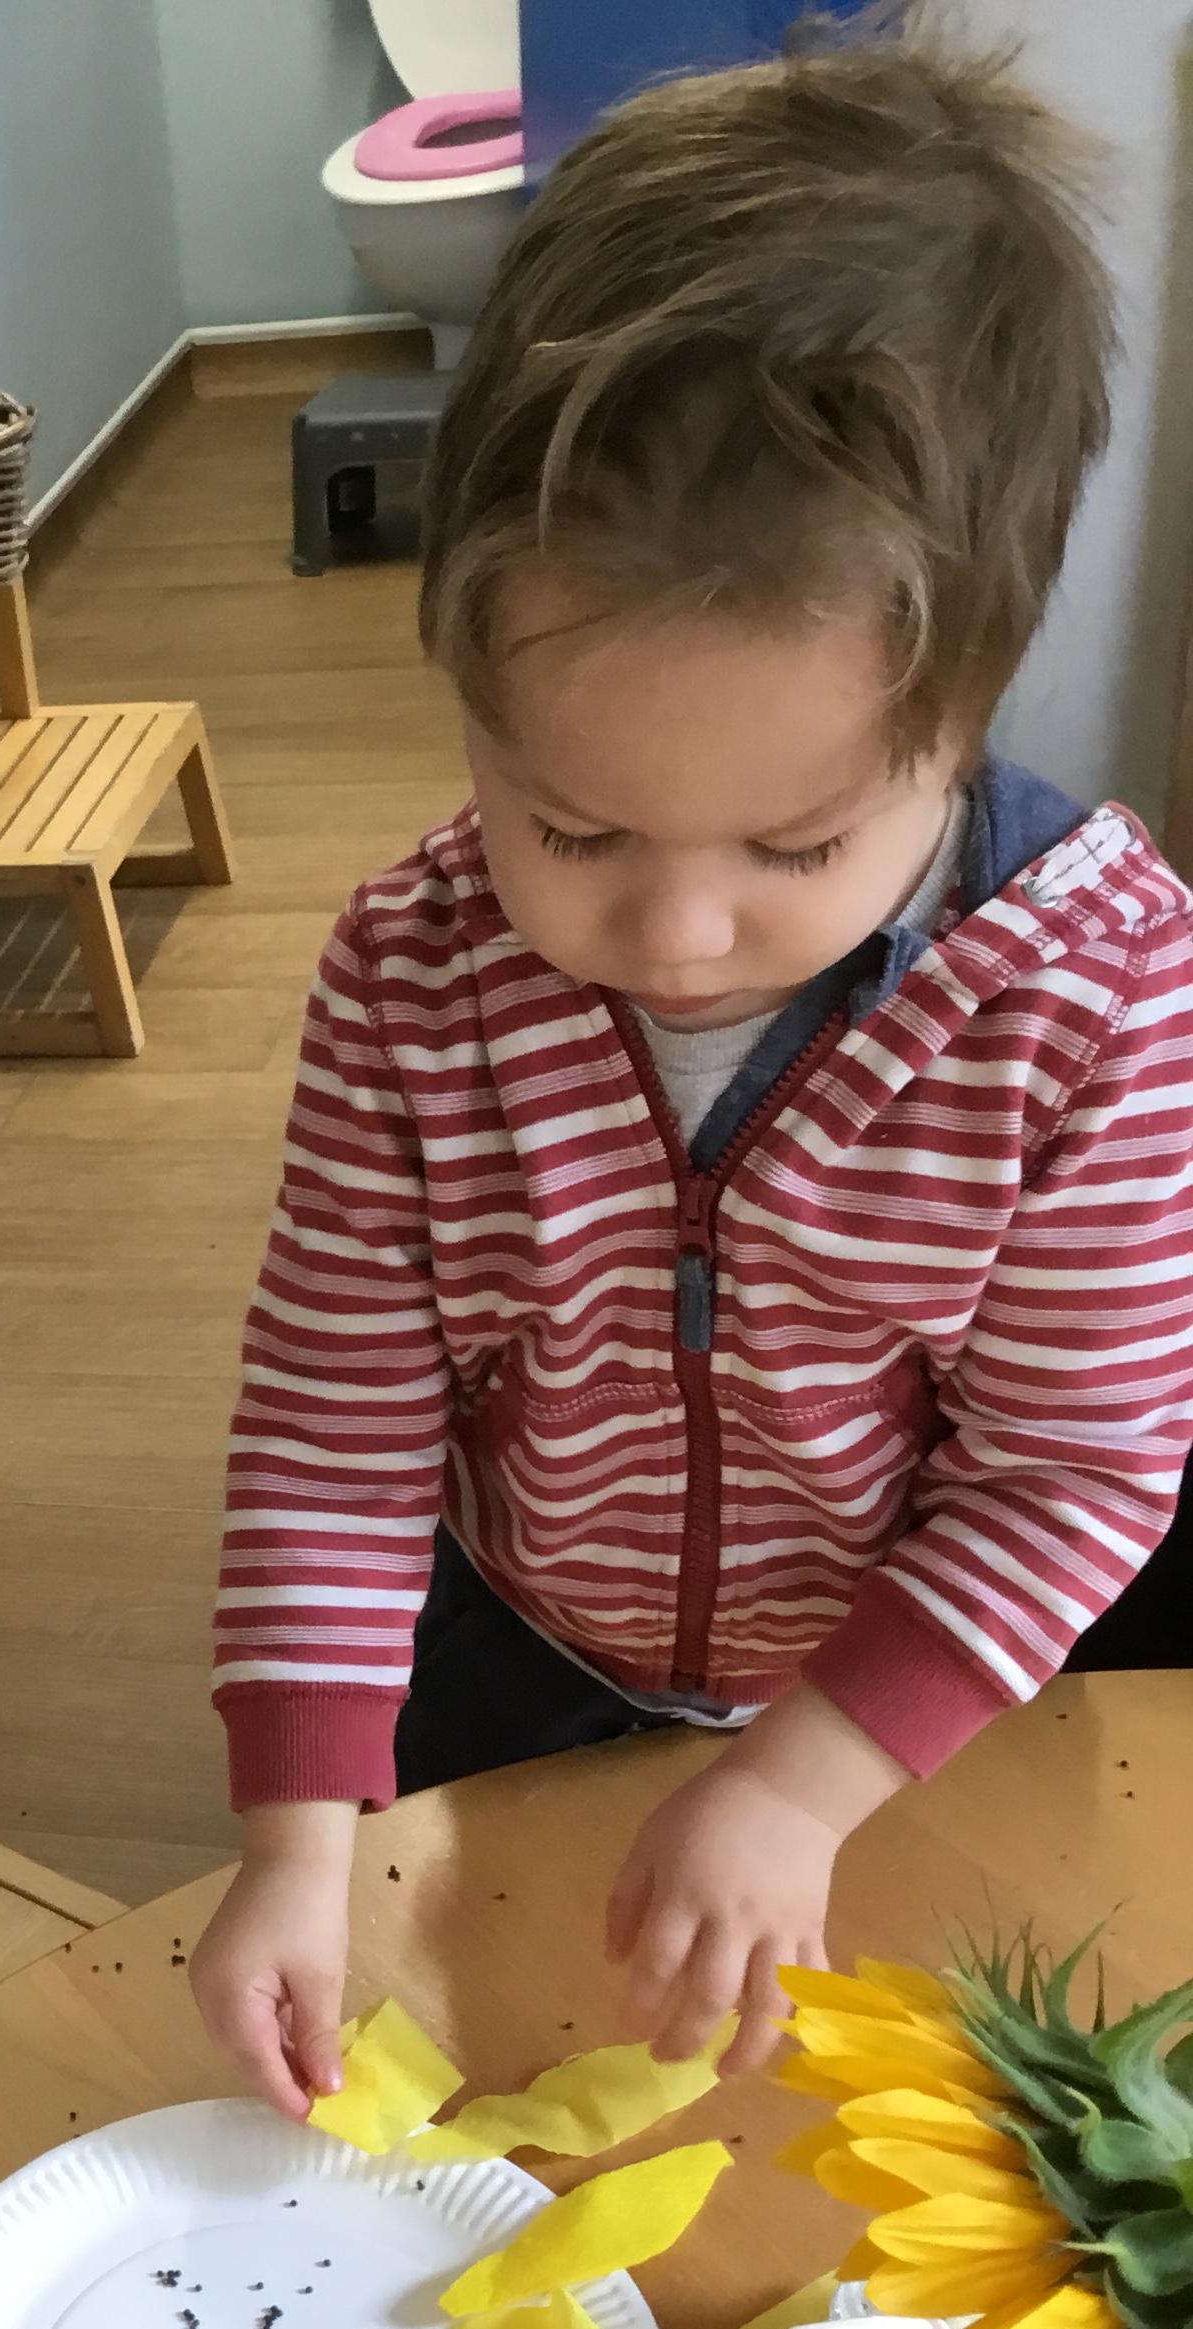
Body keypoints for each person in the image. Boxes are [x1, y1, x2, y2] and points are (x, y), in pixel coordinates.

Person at [191, 22, 1193, 2115]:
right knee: (508, 2089)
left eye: (795, 850)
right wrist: (294, 1836)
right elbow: (336, 1427)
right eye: (571, 826)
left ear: (966, 713)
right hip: (518, 1657)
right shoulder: (408, 979)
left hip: (903, 1704)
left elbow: (1075, 1471)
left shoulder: (1091, 997)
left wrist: (802, 1780)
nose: (673, 936)